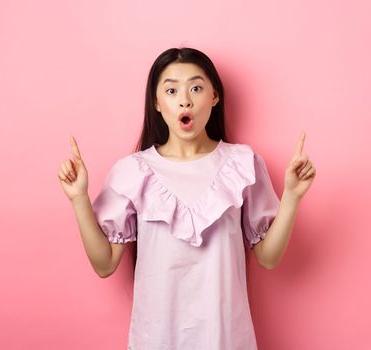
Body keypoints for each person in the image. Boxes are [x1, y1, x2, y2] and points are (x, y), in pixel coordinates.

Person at [57, 47, 316, 349]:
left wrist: (293, 196)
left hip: (226, 338)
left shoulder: (242, 164)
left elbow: (268, 258)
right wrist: (78, 199)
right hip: (156, 338)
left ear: (214, 96)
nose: (185, 100)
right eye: (171, 90)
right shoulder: (132, 172)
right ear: (156, 102)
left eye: (196, 87)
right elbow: (104, 265)